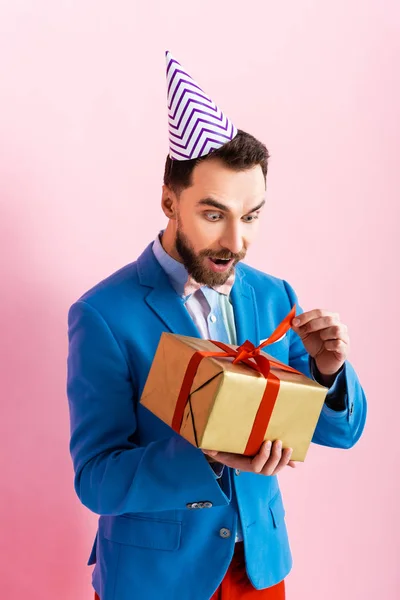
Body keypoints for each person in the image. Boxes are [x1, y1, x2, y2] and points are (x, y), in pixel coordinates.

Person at [66, 52, 367, 600]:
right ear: (168, 202)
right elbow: (96, 479)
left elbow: (339, 433)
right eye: (214, 214)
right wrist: (205, 451)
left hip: (259, 568)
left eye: (251, 216)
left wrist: (329, 371)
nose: (236, 241)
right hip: (155, 578)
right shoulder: (104, 315)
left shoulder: (275, 296)